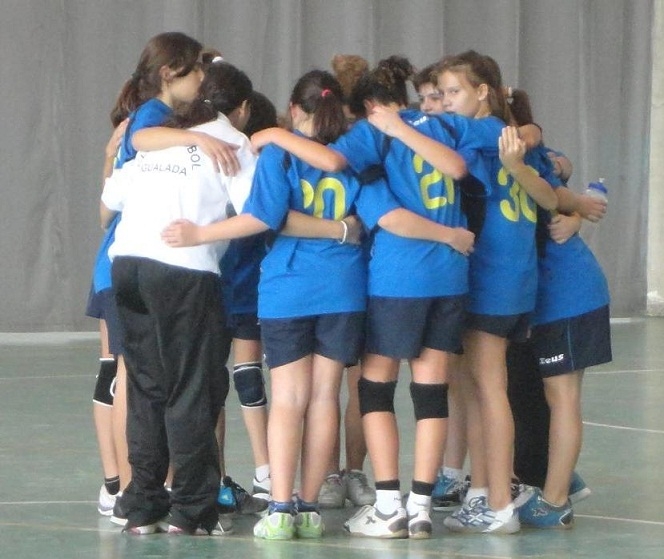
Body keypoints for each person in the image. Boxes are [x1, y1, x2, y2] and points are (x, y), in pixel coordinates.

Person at [250, 55, 490, 539]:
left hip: (398, 279)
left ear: (370, 108)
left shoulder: (371, 141)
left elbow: (339, 167)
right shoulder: (443, 127)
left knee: (375, 388)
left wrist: (275, 135)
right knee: (430, 393)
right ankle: (421, 506)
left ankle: (387, 503)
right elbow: (465, 166)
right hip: (450, 279)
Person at [163, 69, 370, 540]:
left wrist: (200, 234)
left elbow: (265, 217)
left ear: (295, 109)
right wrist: (342, 230)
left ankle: (279, 505)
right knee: (324, 397)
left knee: (289, 399)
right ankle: (311, 507)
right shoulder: (355, 152)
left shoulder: (276, 154)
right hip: (344, 286)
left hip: (288, 288)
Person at [100, 60, 257, 535]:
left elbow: (108, 205)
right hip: (184, 271)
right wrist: (202, 232)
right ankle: (191, 511)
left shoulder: (157, 135)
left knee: (148, 387)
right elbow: (257, 213)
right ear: (242, 108)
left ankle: (143, 505)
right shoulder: (232, 140)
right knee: (192, 389)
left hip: (127, 264)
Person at [433, 51, 558, 534]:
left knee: (489, 388)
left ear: (484, 91)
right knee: (478, 387)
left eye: (454, 92)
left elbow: (433, 134)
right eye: (441, 94)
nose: (445, 103)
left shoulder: (481, 133)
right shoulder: (502, 135)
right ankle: (485, 491)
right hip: (508, 278)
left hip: (495, 280)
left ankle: (501, 500)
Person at [85, 31, 208, 522]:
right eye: (195, 69)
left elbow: (105, 204)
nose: (201, 78)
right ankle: (131, 489)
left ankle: (124, 487)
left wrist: (109, 162)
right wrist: (196, 138)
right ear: (167, 74)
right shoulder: (154, 119)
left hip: (122, 261)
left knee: (124, 374)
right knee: (131, 378)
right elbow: (140, 141)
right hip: (131, 264)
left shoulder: (154, 118)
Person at [506, 140, 611, 528]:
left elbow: (557, 182)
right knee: (529, 393)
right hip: (539, 300)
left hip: (569, 297)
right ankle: (552, 475)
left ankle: (555, 499)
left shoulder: (526, 164)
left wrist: (578, 210)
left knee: (562, 395)